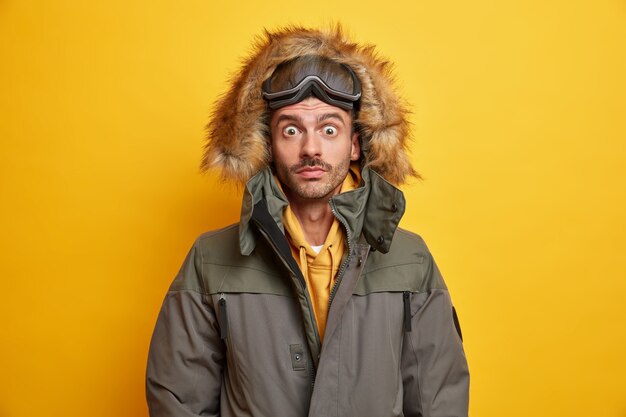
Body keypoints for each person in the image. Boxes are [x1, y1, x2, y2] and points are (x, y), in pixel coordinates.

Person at [146, 26, 469, 417]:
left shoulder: (409, 259)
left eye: (329, 129)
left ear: (354, 144)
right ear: (267, 144)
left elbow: (440, 401)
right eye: (292, 130)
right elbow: (179, 401)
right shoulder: (211, 260)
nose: (311, 148)